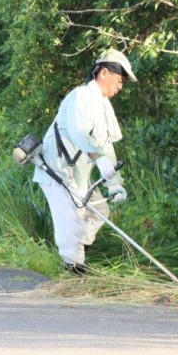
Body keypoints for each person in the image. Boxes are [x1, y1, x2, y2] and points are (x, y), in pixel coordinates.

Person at [33, 48, 137, 274]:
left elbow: (105, 144)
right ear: (103, 73)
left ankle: (77, 257)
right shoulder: (80, 96)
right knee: (69, 223)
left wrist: (115, 183)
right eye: (119, 81)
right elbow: (79, 133)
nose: (120, 87)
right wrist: (99, 160)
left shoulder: (103, 106)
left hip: (80, 175)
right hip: (57, 171)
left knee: (99, 212)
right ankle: (73, 271)